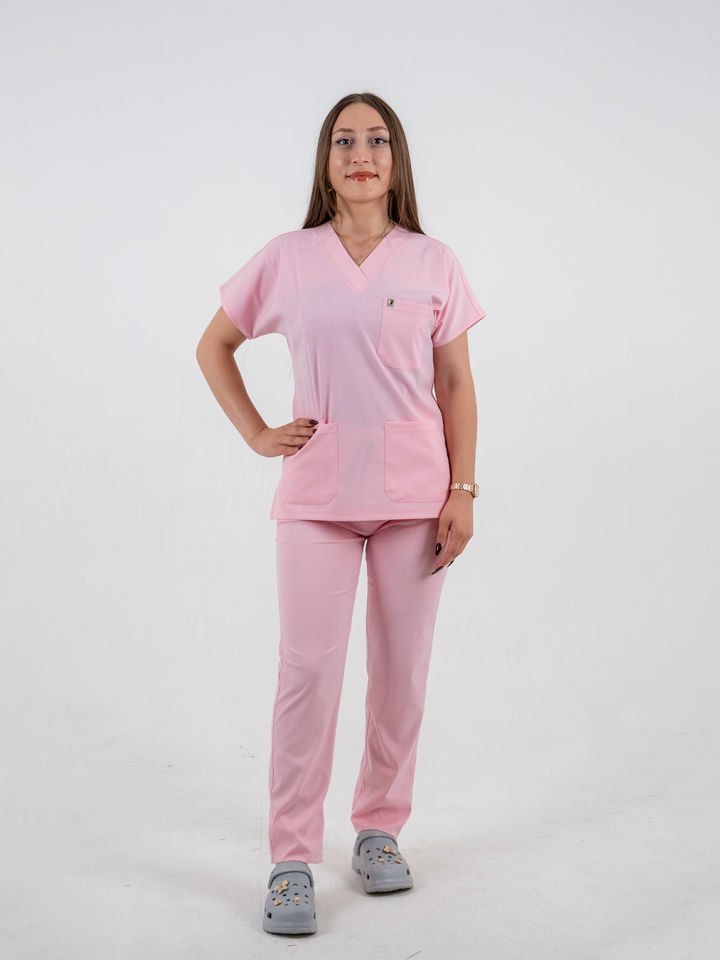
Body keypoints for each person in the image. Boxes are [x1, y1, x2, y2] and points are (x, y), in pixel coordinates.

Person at [195, 91, 487, 936]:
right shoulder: (289, 258)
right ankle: (291, 858)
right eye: (345, 141)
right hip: (318, 497)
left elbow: (456, 383)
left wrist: (463, 490)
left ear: (397, 160)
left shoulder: (433, 262)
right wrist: (257, 433)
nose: (362, 155)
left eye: (378, 140)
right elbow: (214, 345)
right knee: (308, 674)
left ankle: (378, 830)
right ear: (326, 161)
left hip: (414, 499)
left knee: (401, 675)